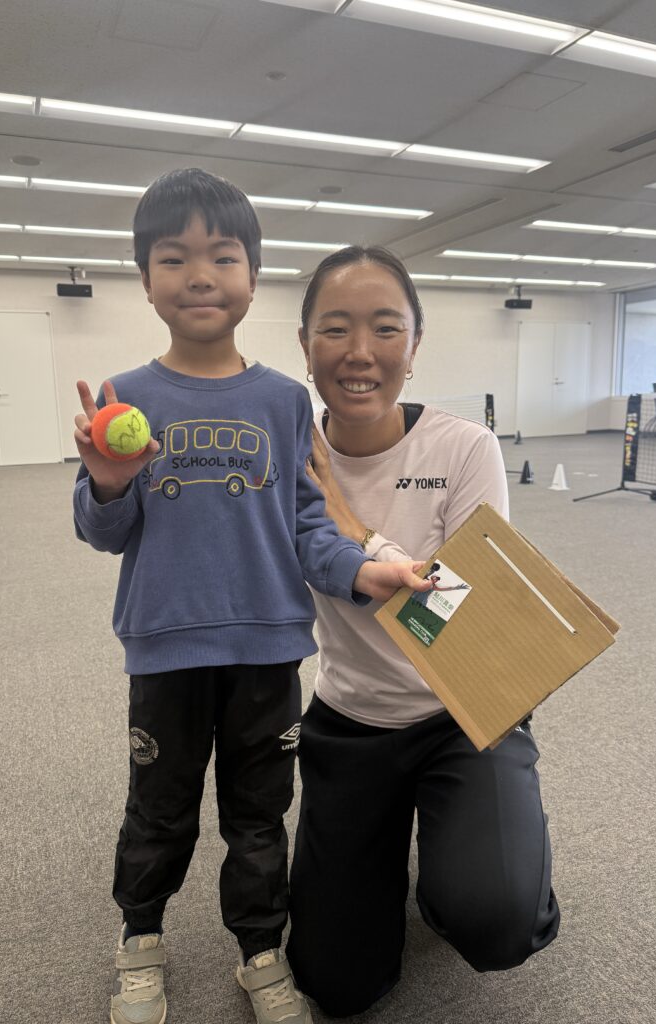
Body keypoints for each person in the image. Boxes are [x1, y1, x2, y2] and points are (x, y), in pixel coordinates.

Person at [72, 173, 429, 1024]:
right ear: (145, 278)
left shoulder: (281, 400)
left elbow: (306, 523)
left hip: (269, 654)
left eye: (222, 256)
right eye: (174, 258)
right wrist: (109, 482)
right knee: (158, 812)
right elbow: (102, 531)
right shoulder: (124, 396)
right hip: (167, 647)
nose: (200, 275)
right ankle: (140, 941)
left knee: (261, 816)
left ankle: (260, 950)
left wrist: (360, 570)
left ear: (254, 276)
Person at [286, 246, 560, 1017]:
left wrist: (352, 531)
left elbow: (462, 617)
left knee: (494, 918)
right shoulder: (289, 458)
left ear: (414, 345)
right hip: (351, 718)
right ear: (305, 345)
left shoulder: (464, 448)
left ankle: (473, 861)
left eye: (385, 328)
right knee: (335, 984)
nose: (360, 352)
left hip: (463, 712)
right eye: (335, 329)